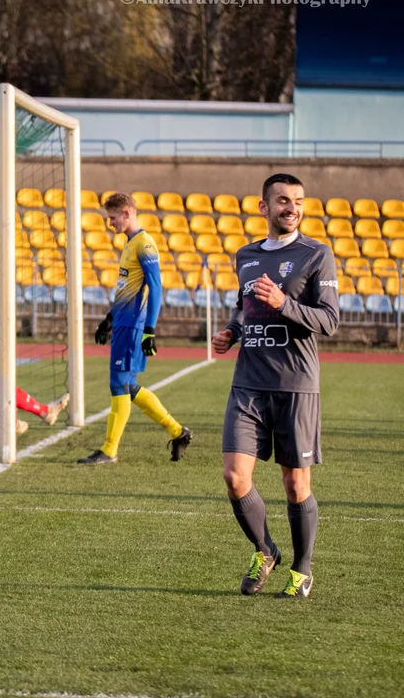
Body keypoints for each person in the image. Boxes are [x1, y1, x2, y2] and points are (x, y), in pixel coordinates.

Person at [211, 173, 338, 599]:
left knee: (295, 484)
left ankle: (302, 568)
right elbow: (243, 306)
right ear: (264, 207)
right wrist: (232, 330)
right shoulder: (245, 255)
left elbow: (330, 321)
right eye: (283, 200)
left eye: (299, 201)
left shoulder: (317, 255)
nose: (292, 208)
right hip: (248, 382)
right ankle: (265, 549)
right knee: (234, 476)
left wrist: (284, 303)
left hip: (295, 384)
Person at [81, 192, 192, 465]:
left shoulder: (145, 243)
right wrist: (109, 318)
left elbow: (155, 287)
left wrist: (149, 330)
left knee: (118, 384)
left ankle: (109, 450)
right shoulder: (130, 243)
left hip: (133, 326)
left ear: (127, 213)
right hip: (122, 323)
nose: (110, 223)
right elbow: (127, 287)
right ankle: (178, 432)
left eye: (113, 218)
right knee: (128, 386)